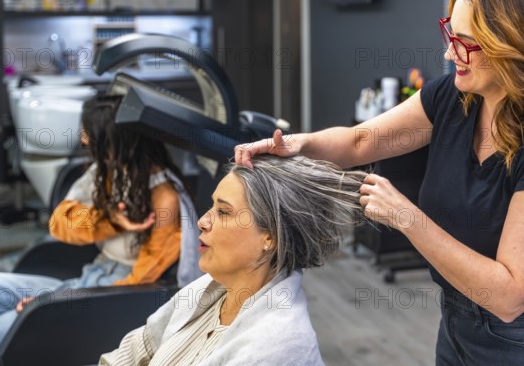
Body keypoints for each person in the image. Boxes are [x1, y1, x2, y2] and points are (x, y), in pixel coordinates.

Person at [236, 0, 524, 365]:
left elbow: (510, 296)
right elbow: (359, 141)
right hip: (456, 320)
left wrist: (407, 217)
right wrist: (297, 145)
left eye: (465, 43)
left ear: (512, 46)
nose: (448, 52)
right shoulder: (452, 99)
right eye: (448, 34)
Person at [0, 96, 202, 366]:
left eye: (89, 134)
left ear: (117, 139)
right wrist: (110, 220)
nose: (84, 141)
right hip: (84, 279)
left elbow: (141, 283)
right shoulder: (109, 173)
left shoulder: (164, 198)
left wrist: (49, 305)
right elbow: (60, 223)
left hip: (105, 298)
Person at [99, 155, 367, 366]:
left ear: (270, 237)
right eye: (211, 206)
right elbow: (136, 349)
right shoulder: (205, 290)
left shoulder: (276, 347)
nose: (203, 221)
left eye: (224, 212)